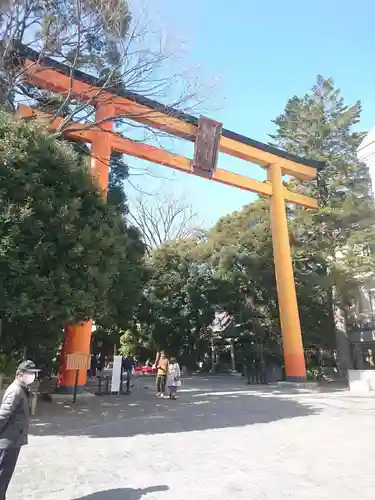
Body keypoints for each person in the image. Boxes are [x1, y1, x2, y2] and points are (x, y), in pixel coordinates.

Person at [0, 360, 40, 499]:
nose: (33, 376)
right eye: (30, 373)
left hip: (13, 439)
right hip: (8, 441)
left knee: (4, 478)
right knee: (2, 478)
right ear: (20, 374)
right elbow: (3, 415)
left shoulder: (21, 389)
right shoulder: (16, 390)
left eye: (34, 374)